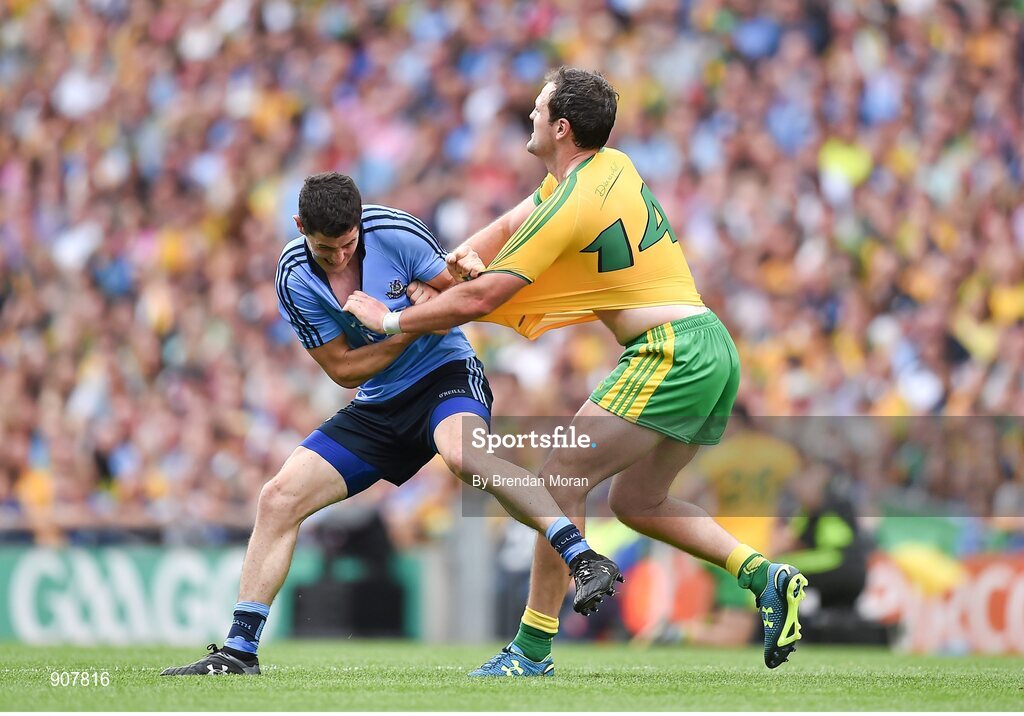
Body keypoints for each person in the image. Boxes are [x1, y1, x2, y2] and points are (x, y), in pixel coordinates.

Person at [344, 67, 808, 675]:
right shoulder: (611, 166)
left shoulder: (571, 203)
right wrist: (453, 265)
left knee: (559, 474)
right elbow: (512, 223)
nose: (529, 115)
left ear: (560, 128)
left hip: (670, 351)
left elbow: (484, 301)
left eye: (538, 109)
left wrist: (392, 323)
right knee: (638, 502)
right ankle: (765, 575)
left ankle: (531, 652)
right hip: (709, 345)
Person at [161, 172, 620, 676]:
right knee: (278, 498)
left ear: (359, 225)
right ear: (298, 228)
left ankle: (581, 558)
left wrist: (398, 318)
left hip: (445, 372)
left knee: (465, 456)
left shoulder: (396, 232)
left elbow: (457, 305)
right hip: (379, 402)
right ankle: (238, 653)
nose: (337, 257)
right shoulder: (294, 275)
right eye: (324, 249)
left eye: (346, 244)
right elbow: (342, 369)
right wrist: (398, 325)